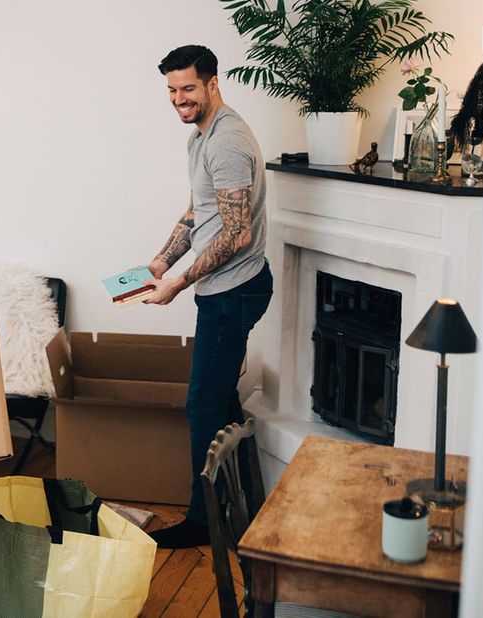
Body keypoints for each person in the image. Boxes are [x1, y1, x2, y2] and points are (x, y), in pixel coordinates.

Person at [141, 45, 273, 549]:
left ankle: (204, 520)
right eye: (172, 91)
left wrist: (178, 282)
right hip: (222, 289)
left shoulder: (228, 140)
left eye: (188, 88)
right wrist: (160, 263)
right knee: (221, 401)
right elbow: (200, 213)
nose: (179, 100)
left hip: (233, 292)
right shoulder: (201, 137)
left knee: (201, 407)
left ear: (213, 83)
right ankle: (248, 503)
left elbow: (236, 233)